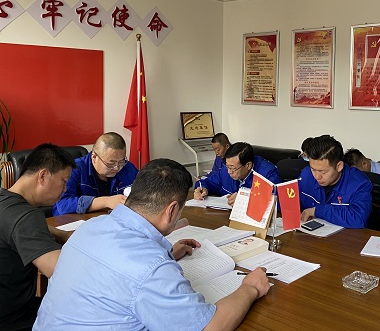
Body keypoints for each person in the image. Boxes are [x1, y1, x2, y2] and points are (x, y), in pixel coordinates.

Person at [34, 158, 270, 330]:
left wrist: (166, 254)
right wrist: (250, 288)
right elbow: (209, 327)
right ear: (172, 210)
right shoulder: (151, 268)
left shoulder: (89, 227)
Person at [0, 144, 75, 330]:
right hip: (17, 320)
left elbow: (19, 229)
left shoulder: (5, 200)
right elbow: (61, 271)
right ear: (42, 176)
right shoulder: (26, 217)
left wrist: (62, 235)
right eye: (64, 181)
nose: (65, 189)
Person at [53, 132, 138, 216]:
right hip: (76, 221)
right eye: (110, 164)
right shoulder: (73, 169)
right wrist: (106, 201)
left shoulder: (128, 168)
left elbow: (142, 193)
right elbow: (63, 205)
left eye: (121, 162)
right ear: (94, 157)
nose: (117, 168)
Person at [297, 135, 372, 229]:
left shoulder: (359, 183)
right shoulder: (306, 174)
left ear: (339, 166)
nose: (317, 176)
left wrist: (318, 211)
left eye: (323, 172)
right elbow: (292, 202)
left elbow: (358, 219)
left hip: (345, 236)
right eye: (313, 169)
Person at [193, 142, 281, 206]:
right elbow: (208, 182)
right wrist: (203, 189)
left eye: (233, 168)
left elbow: (278, 201)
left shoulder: (267, 173)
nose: (229, 171)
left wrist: (245, 198)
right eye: (227, 166)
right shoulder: (226, 170)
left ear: (248, 165)